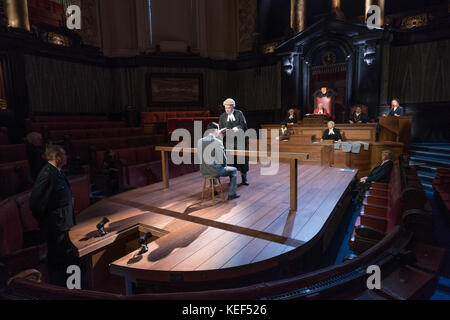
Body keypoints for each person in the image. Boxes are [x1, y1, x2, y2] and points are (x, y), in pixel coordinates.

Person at [30, 145, 77, 286]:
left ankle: (67, 286)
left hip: (62, 222)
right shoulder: (47, 174)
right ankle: (58, 288)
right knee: (57, 258)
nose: (66, 156)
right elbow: (35, 203)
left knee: (64, 256)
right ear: (57, 157)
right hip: (56, 225)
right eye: (64, 154)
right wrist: (48, 222)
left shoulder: (57, 171)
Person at [197, 122, 240, 200]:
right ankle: (231, 194)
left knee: (211, 166)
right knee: (234, 170)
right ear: (216, 130)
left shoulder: (200, 141)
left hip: (203, 170)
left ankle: (214, 191)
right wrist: (224, 166)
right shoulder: (217, 142)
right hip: (215, 170)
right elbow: (223, 159)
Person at [218, 98, 249, 186]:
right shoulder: (222, 116)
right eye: (225, 108)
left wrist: (238, 128)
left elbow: (244, 125)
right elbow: (221, 128)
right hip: (228, 142)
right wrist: (223, 132)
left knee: (242, 160)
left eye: (229, 108)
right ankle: (232, 180)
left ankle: (244, 178)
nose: (227, 110)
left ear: (233, 107)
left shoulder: (239, 113)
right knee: (230, 161)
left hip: (239, 141)